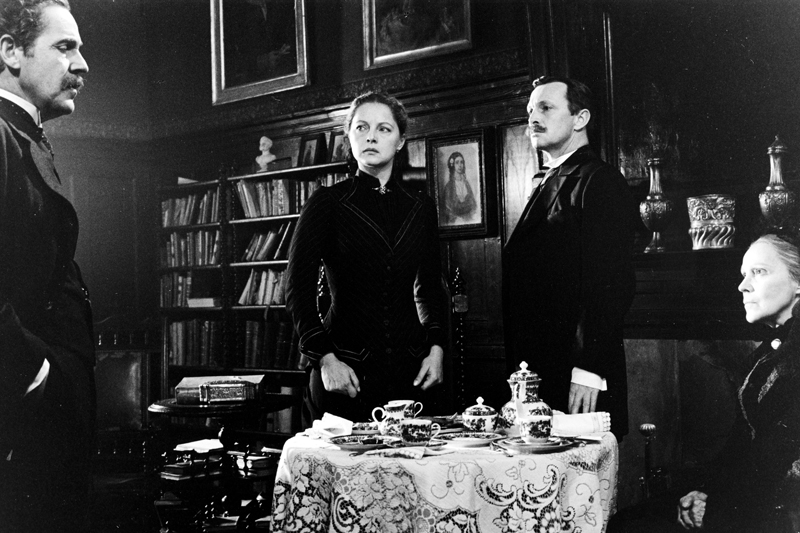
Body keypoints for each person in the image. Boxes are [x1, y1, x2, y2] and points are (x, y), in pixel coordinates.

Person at [609, 232, 800, 532]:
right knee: (628, 520)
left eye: (759, 272)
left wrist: (714, 507)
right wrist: (703, 491)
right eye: (743, 274)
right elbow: (739, 447)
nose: (743, 286)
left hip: (777, 512)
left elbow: (775, 463)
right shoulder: (767, 354)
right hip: (748, 496)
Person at [286, 91, 445, 424]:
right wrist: (325, 359)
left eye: (384, 129)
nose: (371, 136)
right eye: (361, 127)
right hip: (344, 372)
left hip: (411, 371)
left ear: (401, 141)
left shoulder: (421, 207)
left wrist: (436, 349)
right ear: (350, 136)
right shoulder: (327, 202)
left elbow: (429, 288)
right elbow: (297, 291)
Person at [0, 1, 93, 531]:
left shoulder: (25, 135)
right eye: (64, 47)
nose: (82, 65)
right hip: (23, 413)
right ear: (11, 52)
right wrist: (37, 374)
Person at [503, 76, 636, 439]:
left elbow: (612, 283)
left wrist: (590, 368)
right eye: (530, 110)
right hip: (544, 371)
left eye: (546, 108)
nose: (533, 118)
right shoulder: (551, 178)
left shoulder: (600, 180)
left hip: (579, 373)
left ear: (580, 119)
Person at [442, 151, 477, 225]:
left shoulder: (466, 183)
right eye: (457, 162)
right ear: (453, 165)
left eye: (461, 162)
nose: (460, 165)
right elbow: (448, 209)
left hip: (469, 219)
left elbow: (473, 204)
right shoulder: (449, 186)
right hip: (455, 221)